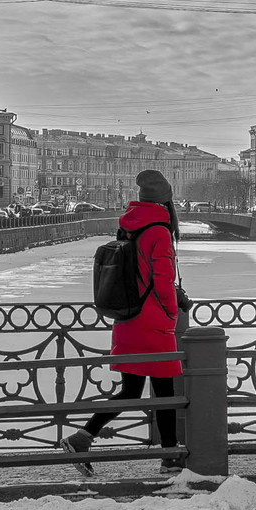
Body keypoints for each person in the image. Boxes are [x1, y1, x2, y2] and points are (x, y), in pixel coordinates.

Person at [66, 169, 187, 471]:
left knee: (131, 390)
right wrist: (173, 312)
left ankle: (83, 437)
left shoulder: (129, 227)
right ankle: (170, 457)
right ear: (166, 202)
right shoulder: (159, 231)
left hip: (127, 318)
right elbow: (160, 280)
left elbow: (140, 273)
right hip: (153, 322)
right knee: (164, 393)